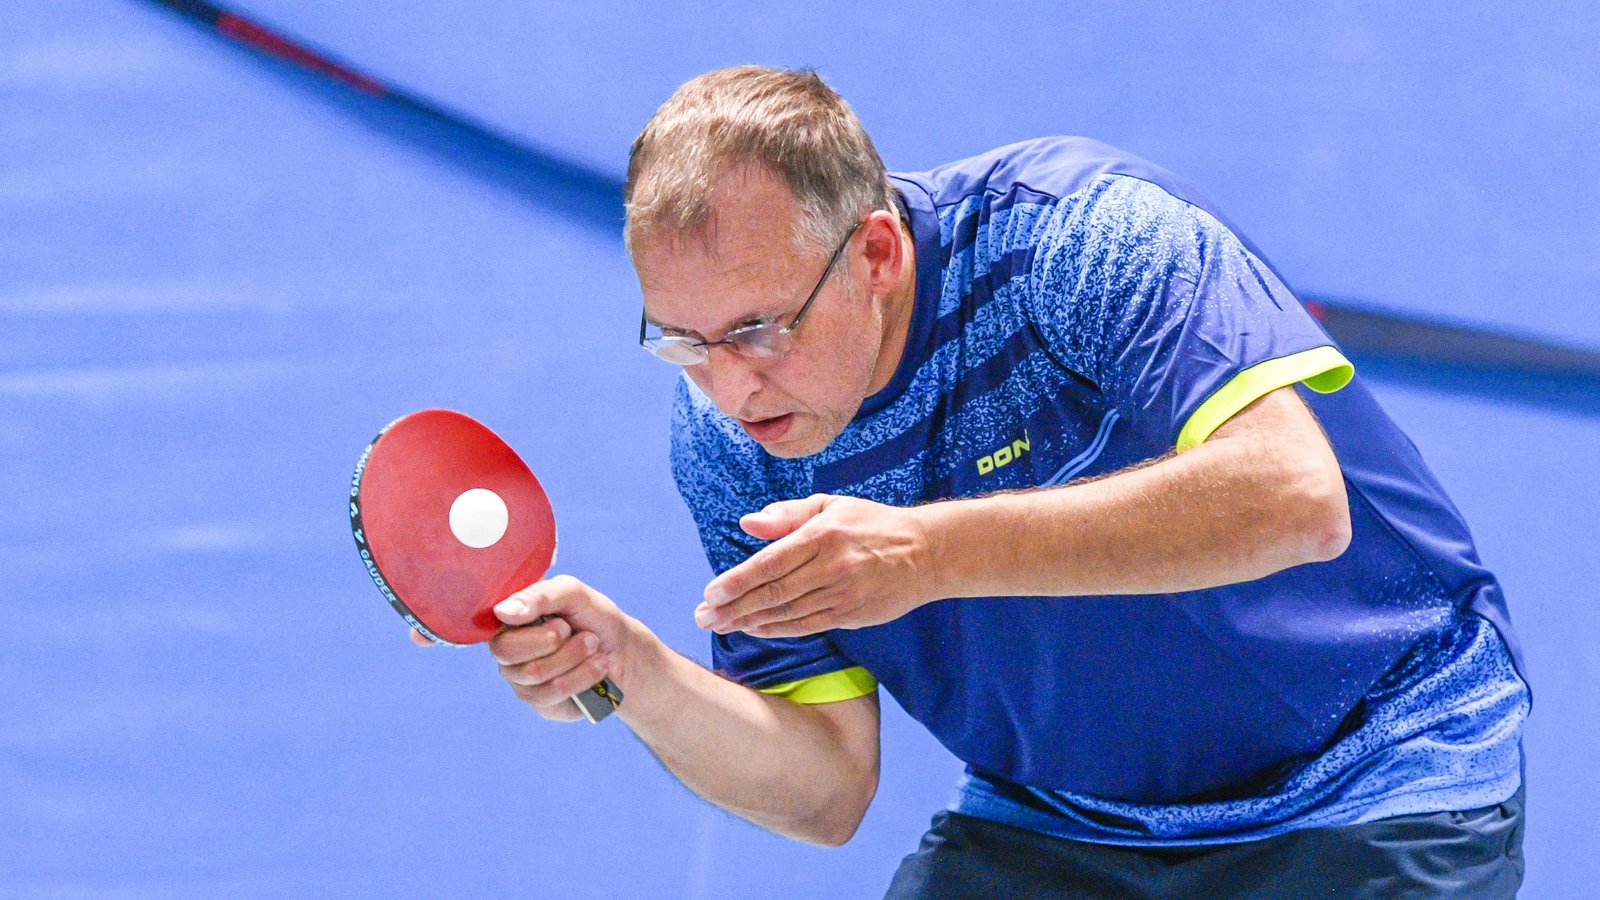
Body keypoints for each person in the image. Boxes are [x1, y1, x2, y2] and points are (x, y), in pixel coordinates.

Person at [472, 66, 1531, 897]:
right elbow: (827, 787)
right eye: (682, 340)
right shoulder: (727, 441)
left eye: (759, 328)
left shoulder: (1079, 238)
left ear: (876, 252)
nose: (727, 381)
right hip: (1067, 822)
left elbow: (1293, 498)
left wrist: (927, 554)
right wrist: (637, 674)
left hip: (1373, 771)